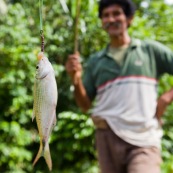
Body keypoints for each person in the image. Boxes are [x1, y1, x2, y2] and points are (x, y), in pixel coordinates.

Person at [65, 0, 173, 172]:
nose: (111, 19)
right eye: (106, 15)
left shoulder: (149, 51)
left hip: (144, 138)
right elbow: (85, 105)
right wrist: (75, 79)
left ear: (129, 19)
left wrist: (167, 98)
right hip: (107, 137)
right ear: (102, 22)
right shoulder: (96, 61)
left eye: (117, 13)